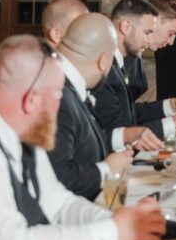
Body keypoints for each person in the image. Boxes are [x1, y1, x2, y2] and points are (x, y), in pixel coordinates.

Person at [0, 35, 165, 240]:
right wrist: (112, 233)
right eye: (57, 95)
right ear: (31, 100)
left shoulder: (23, 126)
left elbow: (57, 201)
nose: (61, 106)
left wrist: (118, 223)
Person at [91, 0, 176, 152]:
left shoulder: (119, 62)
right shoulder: (103, 68)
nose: (171, 42)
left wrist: (173, 105)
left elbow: (129, 113)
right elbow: (116, 132)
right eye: (148, 31)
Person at [49, 13, 133, 201]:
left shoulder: (65, 81)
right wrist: (107, 170)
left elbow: (81, 142)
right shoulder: (57, 94)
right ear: (104, 61)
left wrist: (124, 138)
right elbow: (57, 176)